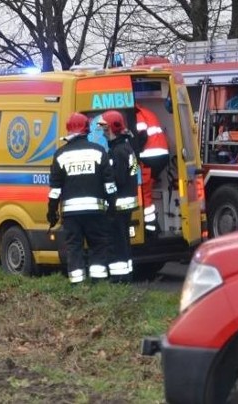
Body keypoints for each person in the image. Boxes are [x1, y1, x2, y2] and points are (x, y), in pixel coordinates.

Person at [47, 112, 117, 285]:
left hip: (71, 215)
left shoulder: (60, 155)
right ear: (86, 129)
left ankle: (77, 285)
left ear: (69, 130)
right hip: (96, 212)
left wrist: (51, 212)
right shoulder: (99, 152)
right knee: (98, 246)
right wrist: (112, 207)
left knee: (74, 248)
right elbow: (109, 185)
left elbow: (55, 190)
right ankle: (98, 285)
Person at [97, 110, 140, 283]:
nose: (102, 131)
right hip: (126, 203)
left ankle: (119, 278)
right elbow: (132, 173)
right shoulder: (126, 147)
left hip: (119, 205)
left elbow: (118, 179)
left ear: (112, 128)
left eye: (104, 127)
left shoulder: (118, 151)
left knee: (117, 243)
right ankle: (126, 274)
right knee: (123, 243)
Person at [134, 104, 169, 235]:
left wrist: (133, 153)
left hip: (150, 157)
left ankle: (150, 228)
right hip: (160, 156)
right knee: (146, 189)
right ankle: (152, 226)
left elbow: (141, 136)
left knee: (144, 192)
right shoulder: (146, 111)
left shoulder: (137, 114)